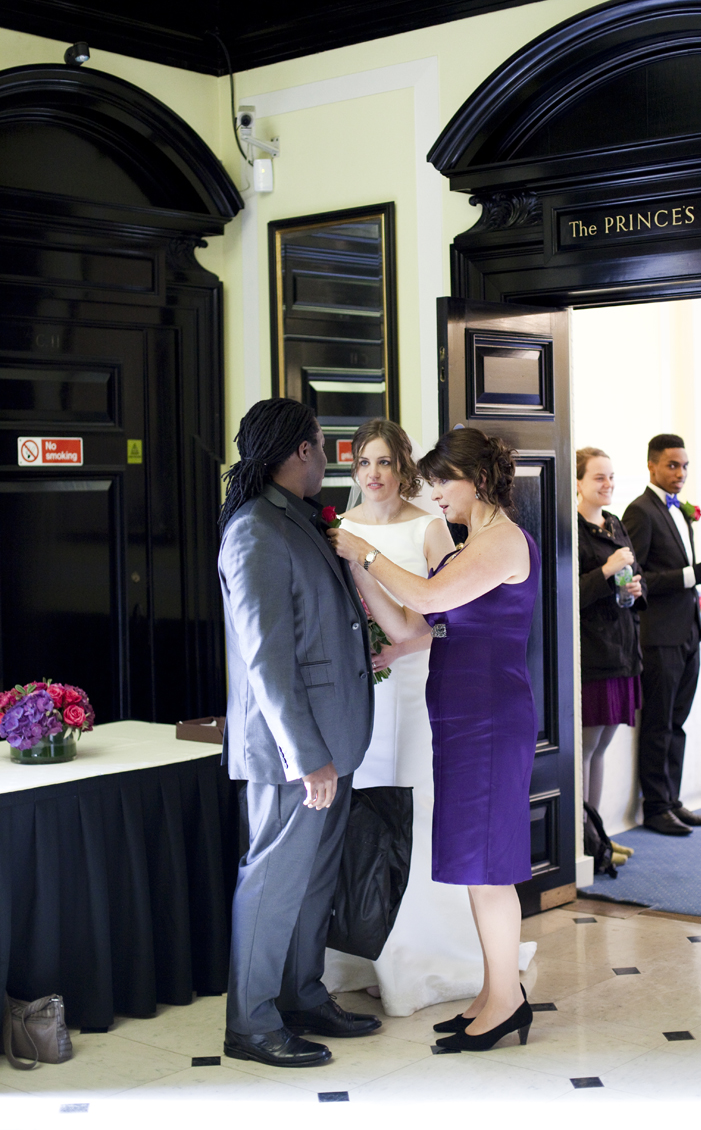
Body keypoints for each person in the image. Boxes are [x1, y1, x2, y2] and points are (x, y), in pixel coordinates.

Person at [328, 427, 540, 1054]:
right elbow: (409, 625)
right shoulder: (472, 544)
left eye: (444, 481)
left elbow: (425, 593)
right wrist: (357, 568)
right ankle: (494, 992)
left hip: (491, 715)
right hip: (461, 714)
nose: (436, 493)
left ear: (479, 478)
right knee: (476, 865)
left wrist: (365, 551)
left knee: (490, 868)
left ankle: (506, 1003)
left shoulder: (502, 542)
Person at [217, 397, 381, 1070]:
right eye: (321, 444)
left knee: (313, 880)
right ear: (302, 450)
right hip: (294, 751)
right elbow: (266, 660)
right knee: (274, 883)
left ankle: (301, 997)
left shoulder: (300, 518)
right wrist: (306, 756)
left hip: (332, 740)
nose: (328, 459)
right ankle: (251, 1024)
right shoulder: (255, 528)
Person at [622, 433, 701, 836]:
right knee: (659, 723)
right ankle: (655, 807)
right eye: (672, 465)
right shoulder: (640, 511)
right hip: (658, 635)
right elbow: (636, 577)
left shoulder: (678, 509)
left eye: (684, 465)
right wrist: (692, 575)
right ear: (652, 466)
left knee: (678, 721)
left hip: (688, 631)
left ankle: (672, 801)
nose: (680, 473)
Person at [577, 448, 645, 861]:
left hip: (623, 648)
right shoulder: (571, 528)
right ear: (578, 483)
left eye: (612, 477)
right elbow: (568, 590)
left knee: (601, 749)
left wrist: (636, 588)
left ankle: (596, 833)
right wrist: (606, 571)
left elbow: (636, 577)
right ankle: (584, 842)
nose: (608, 484)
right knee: (585, 750)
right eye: (599, 477)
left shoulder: (615, 523)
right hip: (593, 653)